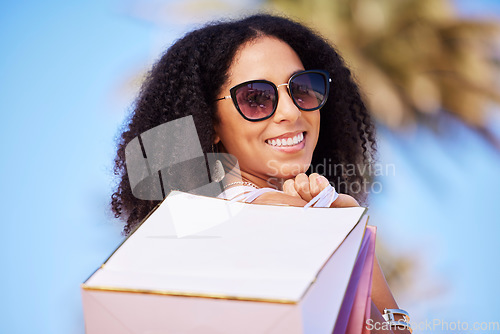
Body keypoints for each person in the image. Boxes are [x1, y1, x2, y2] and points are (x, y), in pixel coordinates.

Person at [111, 14, 411, 333]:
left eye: (303, 89)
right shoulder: (267, 215)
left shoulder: (190, 223)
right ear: (209, 122)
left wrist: (351, 229)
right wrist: (344, 230)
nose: (291, 111)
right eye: (256, 98)